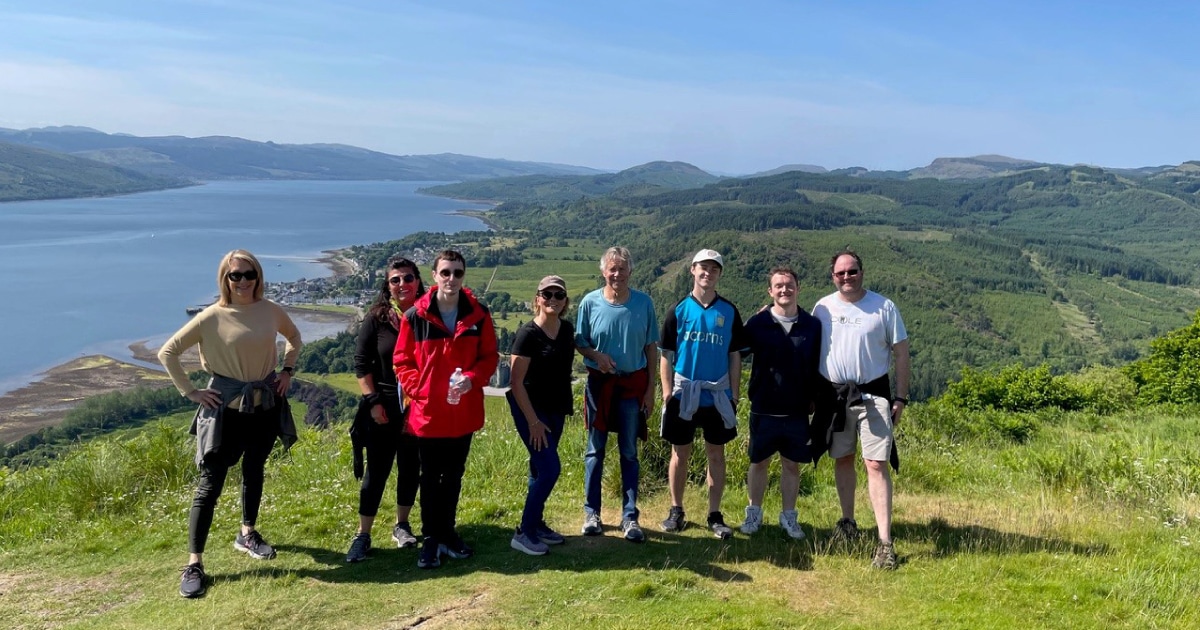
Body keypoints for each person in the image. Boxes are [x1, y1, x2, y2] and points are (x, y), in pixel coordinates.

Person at [159, 249, 302, 599]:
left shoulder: (270, 311)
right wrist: (191, 392)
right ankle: (194, 562)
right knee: (210, 484)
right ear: (224, 279)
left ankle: (247, 533)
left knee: (255, 471)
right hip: (225, 410)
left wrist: (286, 371)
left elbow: (295, 339)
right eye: (234, 275)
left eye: (248, 273)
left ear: (258, 276)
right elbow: (168, 352)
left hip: (264, 405)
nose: (242, 281)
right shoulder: (211, 316)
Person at [394, 250, 498, 569]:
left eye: (457, 273)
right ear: (435, 275)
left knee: (453, 476)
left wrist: (473, 379)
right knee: (430, 477)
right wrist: (420, 391)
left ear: (463, 276)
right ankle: (431, 539)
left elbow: (489, 358)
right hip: (428, 415)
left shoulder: (479, 315)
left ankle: (448, 533)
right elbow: (402, 361)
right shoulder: (416, 316)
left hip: (463, 413)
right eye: (445, 272)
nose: (451, 278)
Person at [811, 249, 910, 570]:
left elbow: (901, 353)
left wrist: (901, 397)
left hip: (873, 396)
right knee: (842, 458)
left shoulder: (884, 307)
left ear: (861, 272)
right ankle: (848, 522)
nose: (846, 277)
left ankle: (884, 542)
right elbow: (806, 340)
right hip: (834, 396)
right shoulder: (822, 307)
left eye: (851, 271)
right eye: (840, 273)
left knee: (875, 464)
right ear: (832, 276)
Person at [659, 249, 748, 539]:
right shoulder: (678, 310)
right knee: (679, 454)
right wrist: (667, 391)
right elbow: (666, 354)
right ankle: (676, 510)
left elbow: (735, 355)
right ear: (692, 270)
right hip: (684, 393)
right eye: (703, 267)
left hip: (717, 394)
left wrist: (734, 395)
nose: (708, 273)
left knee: (716, 455)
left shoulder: (729, 311)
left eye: (714, 269)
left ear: (719, 274)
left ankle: (714, 513)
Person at [574, 246, 658, 542]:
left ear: (630, 271)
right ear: (603, 272)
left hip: (632, 386)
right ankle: (591, 513)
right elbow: (580, 341)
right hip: (600, 386)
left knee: (629, 452)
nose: (617, 274)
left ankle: (630, 517)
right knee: (594, 451)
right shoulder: (590, 303)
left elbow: (651, 349)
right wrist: (596, 356)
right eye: (612, 268)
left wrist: (651, 391)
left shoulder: (644, 304)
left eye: (622, 268)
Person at [344, 257, 425, 562]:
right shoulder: (376, 319)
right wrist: (373, 402)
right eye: (395, 280)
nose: (402, 284)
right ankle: (363, 534)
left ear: (417, 281)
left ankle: (401, 525)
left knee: (410, 468)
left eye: (407, 278)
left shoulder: (428, 317)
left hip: (417, 406)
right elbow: (362, 364)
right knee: (376, 471)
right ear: (387, 286)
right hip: (383, 405)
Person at [739, 266, 822, 539]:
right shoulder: (758, 324)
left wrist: (815, 398)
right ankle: (754, 513)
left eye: (789, 285)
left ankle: (789, 516)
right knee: (758, 462)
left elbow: (817, 365)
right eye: (778, 285)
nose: (784, 289)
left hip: (797, 409)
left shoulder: (812, 325)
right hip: (763, 406)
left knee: (791, 464)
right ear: (770, 291)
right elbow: (736, 351)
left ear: (798, 288)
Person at [507, 275, 575, 555]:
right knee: (550, 469)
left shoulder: (566, 329)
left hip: (556, 408)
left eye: (559, 295)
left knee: (538, 468)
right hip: (530, 410)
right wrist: (533, 421)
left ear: (565, 302)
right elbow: (515, 383)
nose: (553, 300)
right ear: (537, 299)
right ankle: (524, 532)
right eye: (547, 294)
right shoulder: (527, 334)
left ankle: (536, 523)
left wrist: (597, 356)